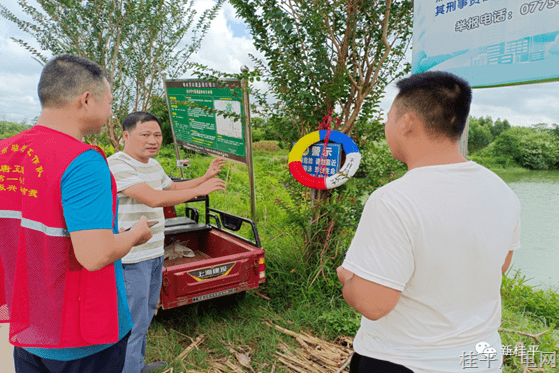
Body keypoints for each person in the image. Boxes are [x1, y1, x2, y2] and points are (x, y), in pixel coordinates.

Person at [337, 71, 520, 373]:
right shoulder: (503, 191)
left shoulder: (393, 200)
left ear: (407, 121)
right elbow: (499, 265)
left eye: (389, 117)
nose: (386, 126)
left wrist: (347, 277)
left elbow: (373, 304)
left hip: (406, 362)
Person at [0, 54, 153, 373]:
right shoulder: (83, 162)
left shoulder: (5, 150)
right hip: (82, 334)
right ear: (87, 100)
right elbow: (95, 255)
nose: (111, 112)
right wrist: (134, 235)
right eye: (109, 102)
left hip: (29, 325)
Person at [108, 111, 226, 373]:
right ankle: (126, 369)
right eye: (145, 134)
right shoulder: (117, 164)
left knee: (147, 312)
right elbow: (152, 198)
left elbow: (171, 189)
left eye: (157, 135)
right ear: (126, 135)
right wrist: (198, 191)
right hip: (131, 256)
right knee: (132, 321)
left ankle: (135, 364)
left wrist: (205, 178)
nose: (153, 140)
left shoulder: (153, 164)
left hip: (153, 252)